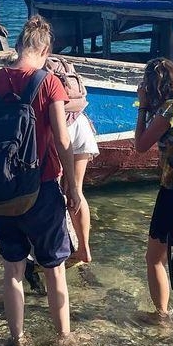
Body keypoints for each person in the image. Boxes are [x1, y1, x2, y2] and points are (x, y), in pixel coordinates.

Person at [0, 15, 84, 346]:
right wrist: (72, 186)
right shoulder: (49, 83)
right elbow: (63, 141)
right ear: (45, 50)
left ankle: (17, 339)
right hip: (41, 187)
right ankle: (63, 339)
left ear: (18, 46)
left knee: (13, 269)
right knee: (54, 268)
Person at [133, 58, 173, 320]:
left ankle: (161, 314)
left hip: (172, 190)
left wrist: (143, 108)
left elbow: (141, 145)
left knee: (154, 257)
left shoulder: (170, 109)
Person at [66, 111, 99, 263]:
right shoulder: (74, 86)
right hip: (80, 122)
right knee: (76, 189)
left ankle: (58, 246)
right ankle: (84, 248)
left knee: (54, 187)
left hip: (62, 125)